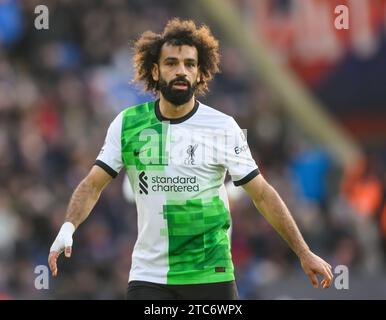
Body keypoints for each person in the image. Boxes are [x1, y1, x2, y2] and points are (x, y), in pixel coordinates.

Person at [48, 18, 333, 300]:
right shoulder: (127, 124)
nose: (181, 71)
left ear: (200, 73)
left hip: (211, 274)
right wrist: (68, 226)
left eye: (189, 64)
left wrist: (303, 251)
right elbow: (93, 184)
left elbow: (262, 193)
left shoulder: (223, 127)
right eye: (172, 63)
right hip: (150, 277)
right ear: (156, 71)